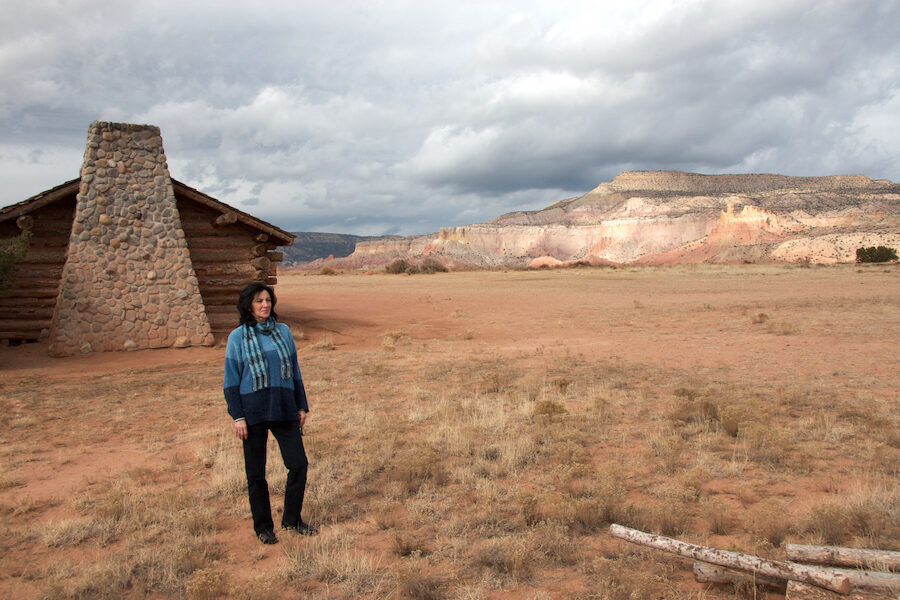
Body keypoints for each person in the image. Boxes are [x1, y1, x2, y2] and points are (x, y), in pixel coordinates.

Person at [224, 281, 317, 544]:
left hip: (284, 407)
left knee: (298, 464)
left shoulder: (284, 332)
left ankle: (292, 520)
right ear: (248, 306)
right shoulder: (237, 337)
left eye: (268, 300)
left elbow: (295, 371)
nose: (265, 305)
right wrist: (237, 417)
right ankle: (263, 527)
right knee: (256, 474)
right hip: (252, 411)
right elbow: (231, 380)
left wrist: (301, 405)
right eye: (259, 301)